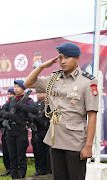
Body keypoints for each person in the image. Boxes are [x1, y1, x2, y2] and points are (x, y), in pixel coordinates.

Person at [24, 42, 99, 180]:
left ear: (77, 58)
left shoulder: (88, 81)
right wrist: (41, 66)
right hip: (56, 138)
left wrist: (88, 146)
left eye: (67, 57)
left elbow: (92, 115)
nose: (62, 61)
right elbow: (28, 83)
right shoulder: (54, 78)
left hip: (75, 141)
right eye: (60, 58)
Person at [0, 87, 15, 177]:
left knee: (12, 152)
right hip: (5, 131)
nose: (9, 96)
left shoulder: (15, 104)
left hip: (13, 131)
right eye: (8, 94)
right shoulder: (5, 105)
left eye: (11, 94)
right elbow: (0, 114)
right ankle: (8, 168)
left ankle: (14, 169)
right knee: (5, 151)